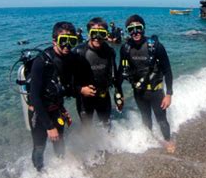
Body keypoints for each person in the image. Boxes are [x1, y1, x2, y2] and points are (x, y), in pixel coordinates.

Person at [119, 14, 175, 153]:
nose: (135, 32)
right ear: (127, 31)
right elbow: (121, 72)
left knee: (161, 119)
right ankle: (149, 140)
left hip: (156, 92)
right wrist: (118, 93)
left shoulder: (155, 46)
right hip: (139, 92)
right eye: (131, 29)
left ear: (143, 28)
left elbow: (168, 71)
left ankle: (168, 141)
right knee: (146, 118)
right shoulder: (125, 48)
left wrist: (169, 94)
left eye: (138, 28)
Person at [28, 21, 79, 171]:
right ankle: (39, 175)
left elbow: (61, 88)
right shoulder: (41, 61)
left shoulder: (68, 59)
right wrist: (49, 127)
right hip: (39, 112)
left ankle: (61, 171)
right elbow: (35, 97)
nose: (67, 45)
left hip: (56, 109)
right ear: (54, 41)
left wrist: (63, 107)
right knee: (39, 146)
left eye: (72, 41)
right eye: (63, 41)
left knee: (60, 141)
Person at [75, 17, 124, 128]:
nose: (97, 37)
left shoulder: (109, 51)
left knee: (106, 124)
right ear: (88, 34)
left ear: (106, 34)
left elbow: (114, 74)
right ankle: (89, 146)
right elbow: (69, 79)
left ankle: (108, 145)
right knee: (86, 128)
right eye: (94, 33)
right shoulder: (79, 52)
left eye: (101, 33)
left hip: (103, 95)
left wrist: (119, 94)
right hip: (84, 99)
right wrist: (81, 89)